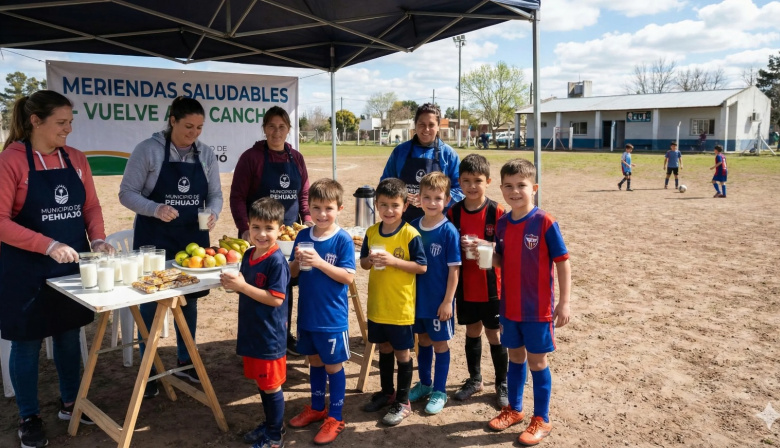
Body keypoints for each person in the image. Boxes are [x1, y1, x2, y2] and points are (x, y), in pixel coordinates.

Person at [0, 90, 115, 448]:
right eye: (61, 123)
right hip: (25, 269)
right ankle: (29, 415)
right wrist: (47, 245)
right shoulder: (11, 161)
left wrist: (96, 240)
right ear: (36, 121)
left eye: (71, 122)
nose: (69, 129)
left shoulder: (76, 159)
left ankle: (71, 402)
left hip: (71, 265)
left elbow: (91, 208)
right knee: (27, 343)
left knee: (68, 334)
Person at [119, 96, 223, 396]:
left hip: (192, 238)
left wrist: (213, 212)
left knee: (189, 299)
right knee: (150, 302)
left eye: (200, 127)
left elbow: (215, 193)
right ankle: (148, 365)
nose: (194, 133)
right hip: (155, 238)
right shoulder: (148, 150)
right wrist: (155, 209)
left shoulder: (206, 154)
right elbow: (126, 193)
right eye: (188, 126)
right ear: (172, 121)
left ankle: (186, 358)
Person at [483, 158, 571, 446]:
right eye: (508, 186)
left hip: (538, 310)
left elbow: (562, 262)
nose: (514, 191)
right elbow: (501, 259)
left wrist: (564, 303)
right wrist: (485, 254)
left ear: (533, 188)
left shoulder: (544, 221)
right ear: (501, 189)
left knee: (537, 360)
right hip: (510, 307)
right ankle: (515, 409)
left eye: (521, 185)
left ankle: (541, 418)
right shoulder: (503, 223)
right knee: (516, 357)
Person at [230, 106, 313, 356]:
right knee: (258, 288)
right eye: (271, 126)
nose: (276, 132)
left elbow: (304, 193)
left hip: (288, 236)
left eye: (282, 127)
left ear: (289, 129)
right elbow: (237, 197)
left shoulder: (296, 158)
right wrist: (245, 229)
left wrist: (307, 219)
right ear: (264, 128)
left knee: (285, 287)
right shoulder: (251, 157)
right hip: (260, 237)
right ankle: (254, 341)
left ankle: (284, 336)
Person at [285, 178, 355, 445]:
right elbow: (292, 273)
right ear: (309, 209)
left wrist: (319, 263)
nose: (322, 214)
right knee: (313, 361)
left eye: (328, 208)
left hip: (331, 318)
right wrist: (294, 264)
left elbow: (348, 277)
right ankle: (316, 408)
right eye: (316, 208)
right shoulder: (303, 236)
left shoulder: (342, 239)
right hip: (307, 316)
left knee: (333, 366)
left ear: (340, 208)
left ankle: (335, 417)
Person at [221, 198, 290, 448]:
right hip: (252, 332)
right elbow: (247, 287)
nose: (262, 234)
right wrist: (234, 283)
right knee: (262, 383)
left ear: (280, 230)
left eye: (269, 228)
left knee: (272, 387)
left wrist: (242, 286)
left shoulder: (276, 261)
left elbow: (275, 299)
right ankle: (273, 424)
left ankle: (274, 437)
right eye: (256, 227)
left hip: (269, 337)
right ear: (248, 226)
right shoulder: (249, 254)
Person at [360, 178, 427, 426]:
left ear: (405, 206)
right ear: (376, 205)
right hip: (378, 305)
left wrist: (393, 261)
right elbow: (364, 263)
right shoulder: (371, 232)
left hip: (400, 307)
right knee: (384, 349)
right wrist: (370, 261)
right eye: (384, 204)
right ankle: (387, 392)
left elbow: (421, 266)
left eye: (395, 205)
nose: (389, 210)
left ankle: (403, 401)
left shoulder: (410, 234)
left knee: (402, 353)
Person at [447, 154, 508, 407]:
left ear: (488, 181)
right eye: (466, 180)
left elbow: (508, 251)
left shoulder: (498, 212)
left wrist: (487, 245)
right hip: (466, 287)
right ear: (459, 182)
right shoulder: (453, 213)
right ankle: (475, 379)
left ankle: (502, 383)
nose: (472, 186)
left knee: (495, 335)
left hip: (493, 287)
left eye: (478, 181)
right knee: (472, 331)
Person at [408, 172, 461, 415]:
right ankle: (425, 384)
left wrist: (448, 301)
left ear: (447, 199)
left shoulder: (449, 231)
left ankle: (440, 391)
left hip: (439, 302)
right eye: (426, 197)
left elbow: (454, 271)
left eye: (437, 198)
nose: (431, 202)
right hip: (417, 301)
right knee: (424, 341)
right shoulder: (412, 228)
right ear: (418, 198)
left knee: (440, 344)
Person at [380, 103, 463, 223]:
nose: (426, 129)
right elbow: (385, 183)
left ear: (438, 126)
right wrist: (400, 195)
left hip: (437, 224)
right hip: (402, 222)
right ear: (415, 125)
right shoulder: (400, 151)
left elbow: (460, 190)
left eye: (431, 125)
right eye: (422, 124)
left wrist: (431, 199)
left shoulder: (449, 155)